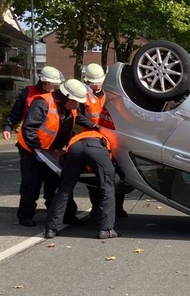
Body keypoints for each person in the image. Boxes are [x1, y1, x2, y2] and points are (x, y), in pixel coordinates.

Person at [5, 66, 79, 227]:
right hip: (32, 150)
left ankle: (63, 214)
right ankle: (25, 215)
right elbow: (29, 128)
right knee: (32, 183)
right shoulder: (42, 102)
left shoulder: (69, 107)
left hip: (52, 151)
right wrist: (37, 150)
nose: (78, 105)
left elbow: (77, 123)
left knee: (56, 182)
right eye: (77, 102)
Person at [44, 122, 118, 239]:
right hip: (97, 147)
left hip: (75, 148)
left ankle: (51, 229)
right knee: (107, 188)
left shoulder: (78, 136)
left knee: (65, 188)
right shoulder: (107, 137)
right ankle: (105, 229)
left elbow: (63, 160)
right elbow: (110, 160)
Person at [81, 63, 127, 218]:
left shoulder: (109, 94)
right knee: (93, 176)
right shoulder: (83, 96)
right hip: (92, 139)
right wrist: (92, 126)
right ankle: (96, 207)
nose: (97, 85)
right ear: (87, 81)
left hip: (112, 140)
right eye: (94, 83)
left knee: (117, 174)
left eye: (99, 82)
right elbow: (77, 115)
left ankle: (118, 207)